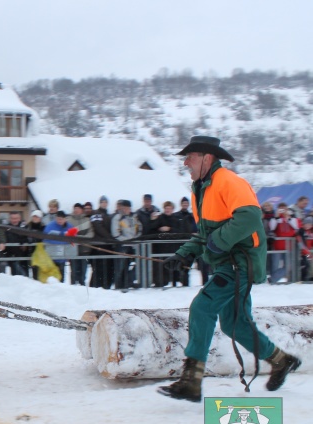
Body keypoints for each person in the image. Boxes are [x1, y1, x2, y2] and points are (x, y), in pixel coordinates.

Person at [158, 136, 301, 403]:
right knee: (236, 325)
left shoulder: (230, 182)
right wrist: (182, 255)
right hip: (228, 263)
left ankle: (192, 380)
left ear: (207, 157)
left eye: (190, 156)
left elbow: (249, 219)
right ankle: (282, 360)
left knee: (202, 307)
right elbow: (204, 234)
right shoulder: (200, 189)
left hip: (239, 264)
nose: (186, 162)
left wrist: (215, 244)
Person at [110, 200, 142, 290]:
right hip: (122, 246)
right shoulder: (117, 217)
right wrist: (127, 240)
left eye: (128, 208)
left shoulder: (134, 217)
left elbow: (139, 229)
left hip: (133, 246)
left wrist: (136, 239)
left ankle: (127, 282)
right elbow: (115, 233)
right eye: (125, 207)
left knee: (138, 264)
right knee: (120, 268)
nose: (126, 209)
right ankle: (118, 286)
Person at [268, 203, 299, 283]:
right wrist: (277, 216)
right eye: (281, 209)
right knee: (274, 265)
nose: (283, 211)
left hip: (288, 246)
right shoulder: (276, 218)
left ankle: (273, 279)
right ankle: (273, 280)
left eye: (284, 209)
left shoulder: (293, 218)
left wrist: (287, 217)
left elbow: (296, 227)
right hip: (277, 246)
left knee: (288, 266)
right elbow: (272, 227)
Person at [89, 196, 115, 289]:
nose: (104, 204)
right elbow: (98, 227)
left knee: (108, 267)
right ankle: (94, 287)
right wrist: (109, 238)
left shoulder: (108, 215)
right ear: (99, 203)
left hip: (107, 246)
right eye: (102, 202)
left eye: (105, 202)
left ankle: (106, 286)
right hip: (98, 245)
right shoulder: (95, 213)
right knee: (98, 268)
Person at [68, 203, 94, 285]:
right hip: (73, 249)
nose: (76, 210)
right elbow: (68, 233)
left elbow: (91, 233)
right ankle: (73, 286)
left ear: (81, 210)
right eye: (75, 208)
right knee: (74, 270)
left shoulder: (87, 220)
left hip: (84, 249)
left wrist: (82, 238)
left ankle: (82, 285)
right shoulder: (69, 220)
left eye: (78, 208)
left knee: (84, 269)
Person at [43, 210, 72, 283]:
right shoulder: (50, 226)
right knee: (52, 276)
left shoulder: (69, 227)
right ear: (56, 218)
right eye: (58, 219)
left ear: (65, 219)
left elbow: (73, 239)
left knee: (61, 275)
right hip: (52, 255)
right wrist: (61, 242)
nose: (60, 221)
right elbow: (45, 238)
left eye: (61, 219)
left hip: (62, 256)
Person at [2, 212, 29, 276]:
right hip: (11, 255)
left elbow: (29, 238)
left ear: (19, 218)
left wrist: (25, 242)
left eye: (16, 218)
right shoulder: (6, 228)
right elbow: (5, 239)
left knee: (25, 276)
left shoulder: (25, 227)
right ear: (9, 219)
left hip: (23, 255)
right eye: (12, 218)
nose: (14, 220)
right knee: (16, 275)